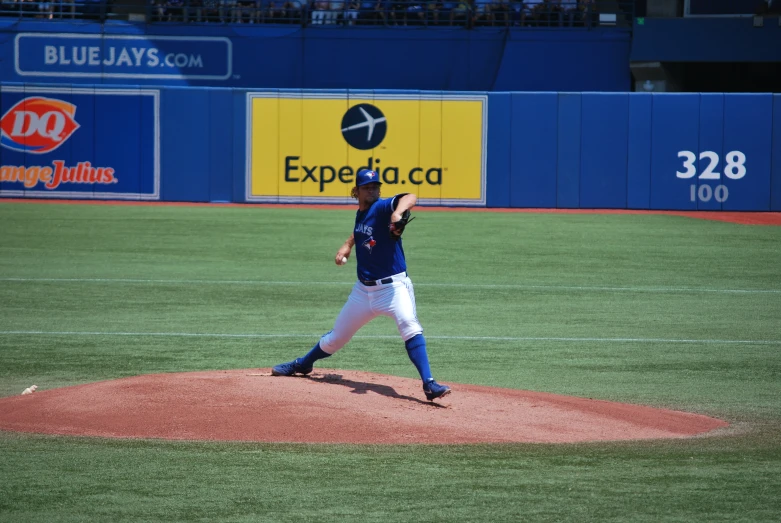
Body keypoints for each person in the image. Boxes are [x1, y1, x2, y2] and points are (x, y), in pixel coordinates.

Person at [271, 168, 452, 402]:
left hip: (393, 289)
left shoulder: (381, 206)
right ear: (356, 191)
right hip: (362, 292)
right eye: (367, 187)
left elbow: (410, 197)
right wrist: (347, 245)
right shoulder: (362, 212)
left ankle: (429, 384)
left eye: (376, 186)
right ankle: (303, 365)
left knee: (409, 324)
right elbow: (360, 231)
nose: (373, 190)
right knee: (335, 339)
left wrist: (397, 213)